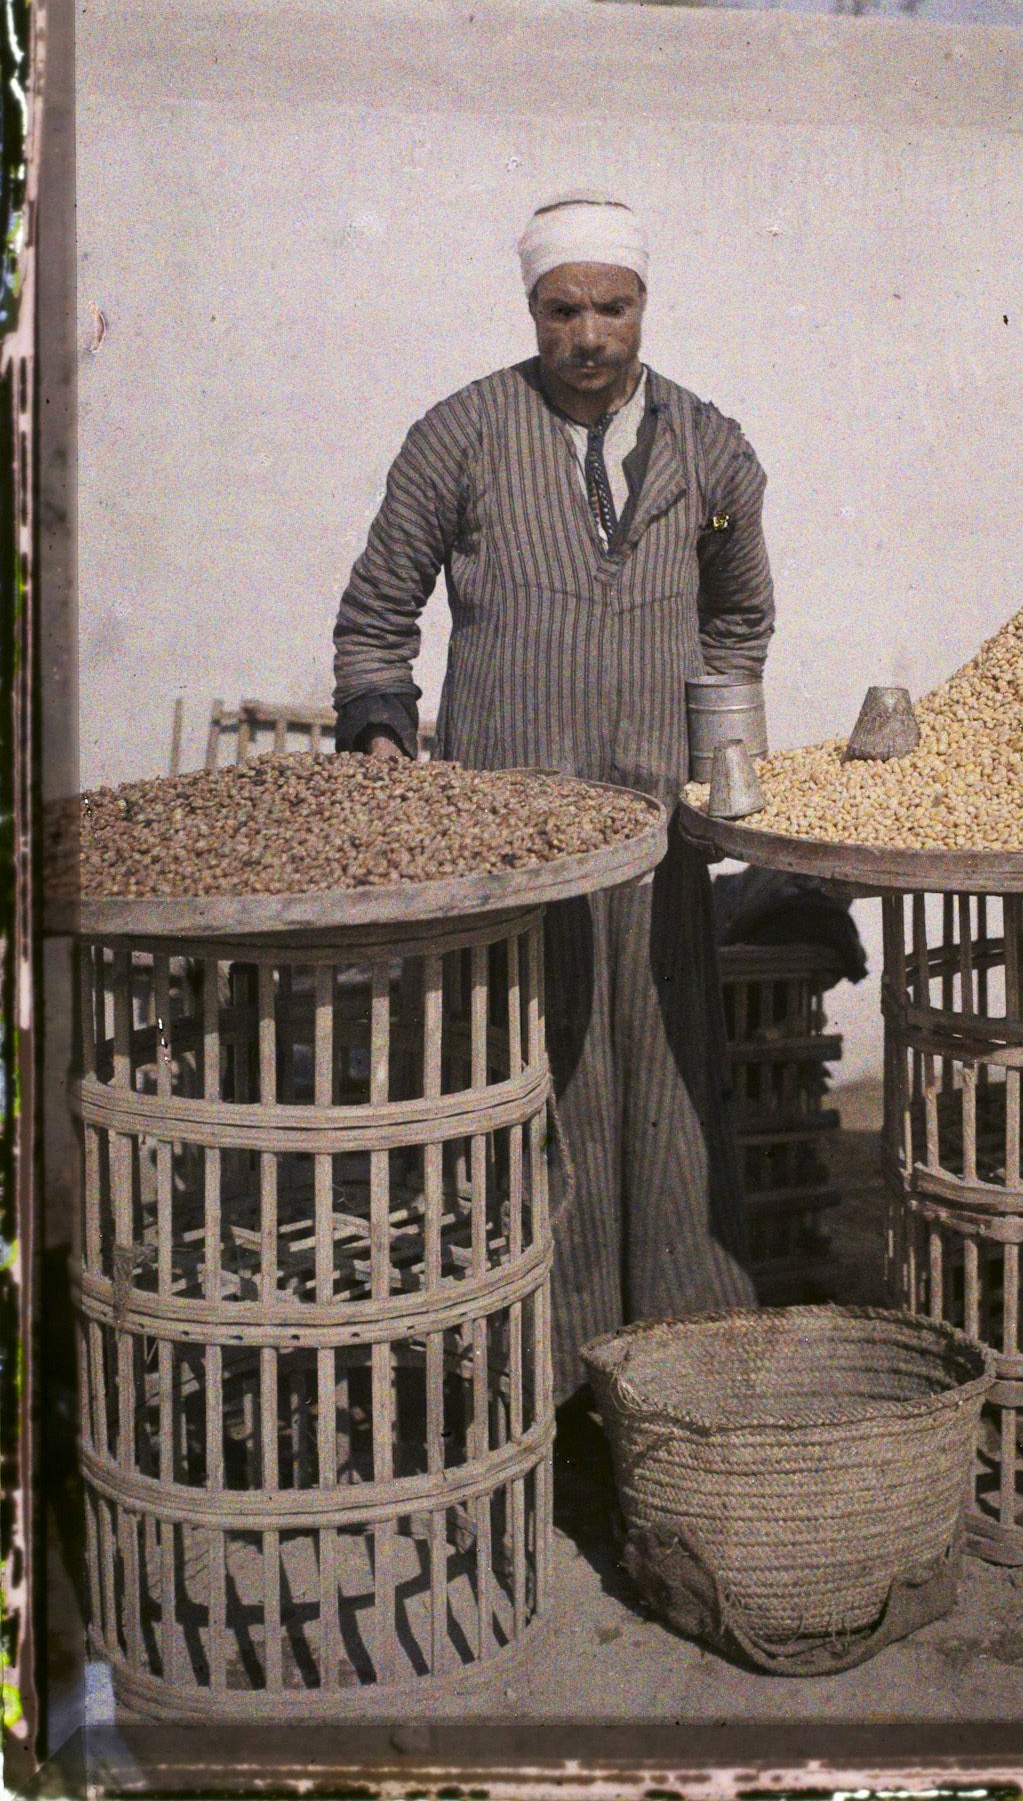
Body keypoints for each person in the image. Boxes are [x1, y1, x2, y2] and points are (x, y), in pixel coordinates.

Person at [332, 195, 775, 1396]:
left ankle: (686, 1374)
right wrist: (382, 737)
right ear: (531, 309)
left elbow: (738, 611)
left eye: (611, 306)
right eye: (561, 307)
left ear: (645, 305)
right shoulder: (460, 435)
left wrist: (716, 750)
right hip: (511, 833)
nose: (588, 332)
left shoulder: (711, 448)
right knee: (538, 1084)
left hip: (655, 829)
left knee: (675, 1086)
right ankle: (550, 1380)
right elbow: (379, 616)